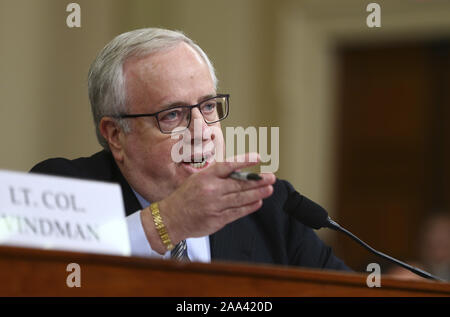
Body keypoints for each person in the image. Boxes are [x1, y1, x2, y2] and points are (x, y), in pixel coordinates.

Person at [30, 28, 349, 270]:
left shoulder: (269, 207)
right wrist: (167, 222)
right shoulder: (64, 187)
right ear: (115, 135)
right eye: (172, 115)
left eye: (208, 107)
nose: (202, 132)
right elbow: (39, 276)